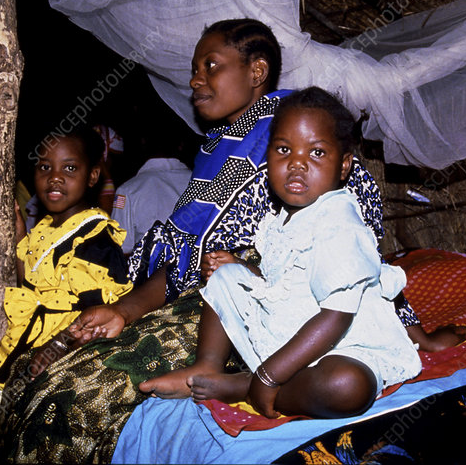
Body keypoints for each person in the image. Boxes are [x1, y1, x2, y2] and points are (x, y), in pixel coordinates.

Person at [0, 18, 453, 463]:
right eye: (194, 69)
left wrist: (409, 330)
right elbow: (187, 257)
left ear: (256, 71)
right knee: (38, 371)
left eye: (210, 65)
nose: (195, 80)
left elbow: (360, 253)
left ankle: (248, 383)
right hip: (224, 298)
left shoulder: (301, 127)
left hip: (292, 316)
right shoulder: (218, 148)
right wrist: (124, 309)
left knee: (79, 394)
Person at [140, 87, 422, 417]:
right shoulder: (282, 216)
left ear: (344, 166)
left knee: (347, 386)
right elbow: (285, 279)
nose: (297, 165)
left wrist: (267, 376)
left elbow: (336, 315)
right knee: (226, 274)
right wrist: (245, 271)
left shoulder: (339, 221)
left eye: (316, 153)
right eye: (284, 150)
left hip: (344, 344)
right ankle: (207, 365)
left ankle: (244, 386)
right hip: (289, 334)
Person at [0, 125, 132, 460]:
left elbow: (96, 306)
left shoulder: (94, 235)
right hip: (29, 336)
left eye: (69, 168)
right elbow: (35, 281)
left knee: (15, 430)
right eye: (44, 167)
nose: (54, 178)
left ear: (93, 175)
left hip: (60, 344)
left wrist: (55, 347)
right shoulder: (46, 227)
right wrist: (18, 238)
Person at [110, 129, 193, 255]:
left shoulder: (127, 190)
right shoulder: (200, 183)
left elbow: (122, 248)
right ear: (181, 145)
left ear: (143, 144)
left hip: (149, 271)